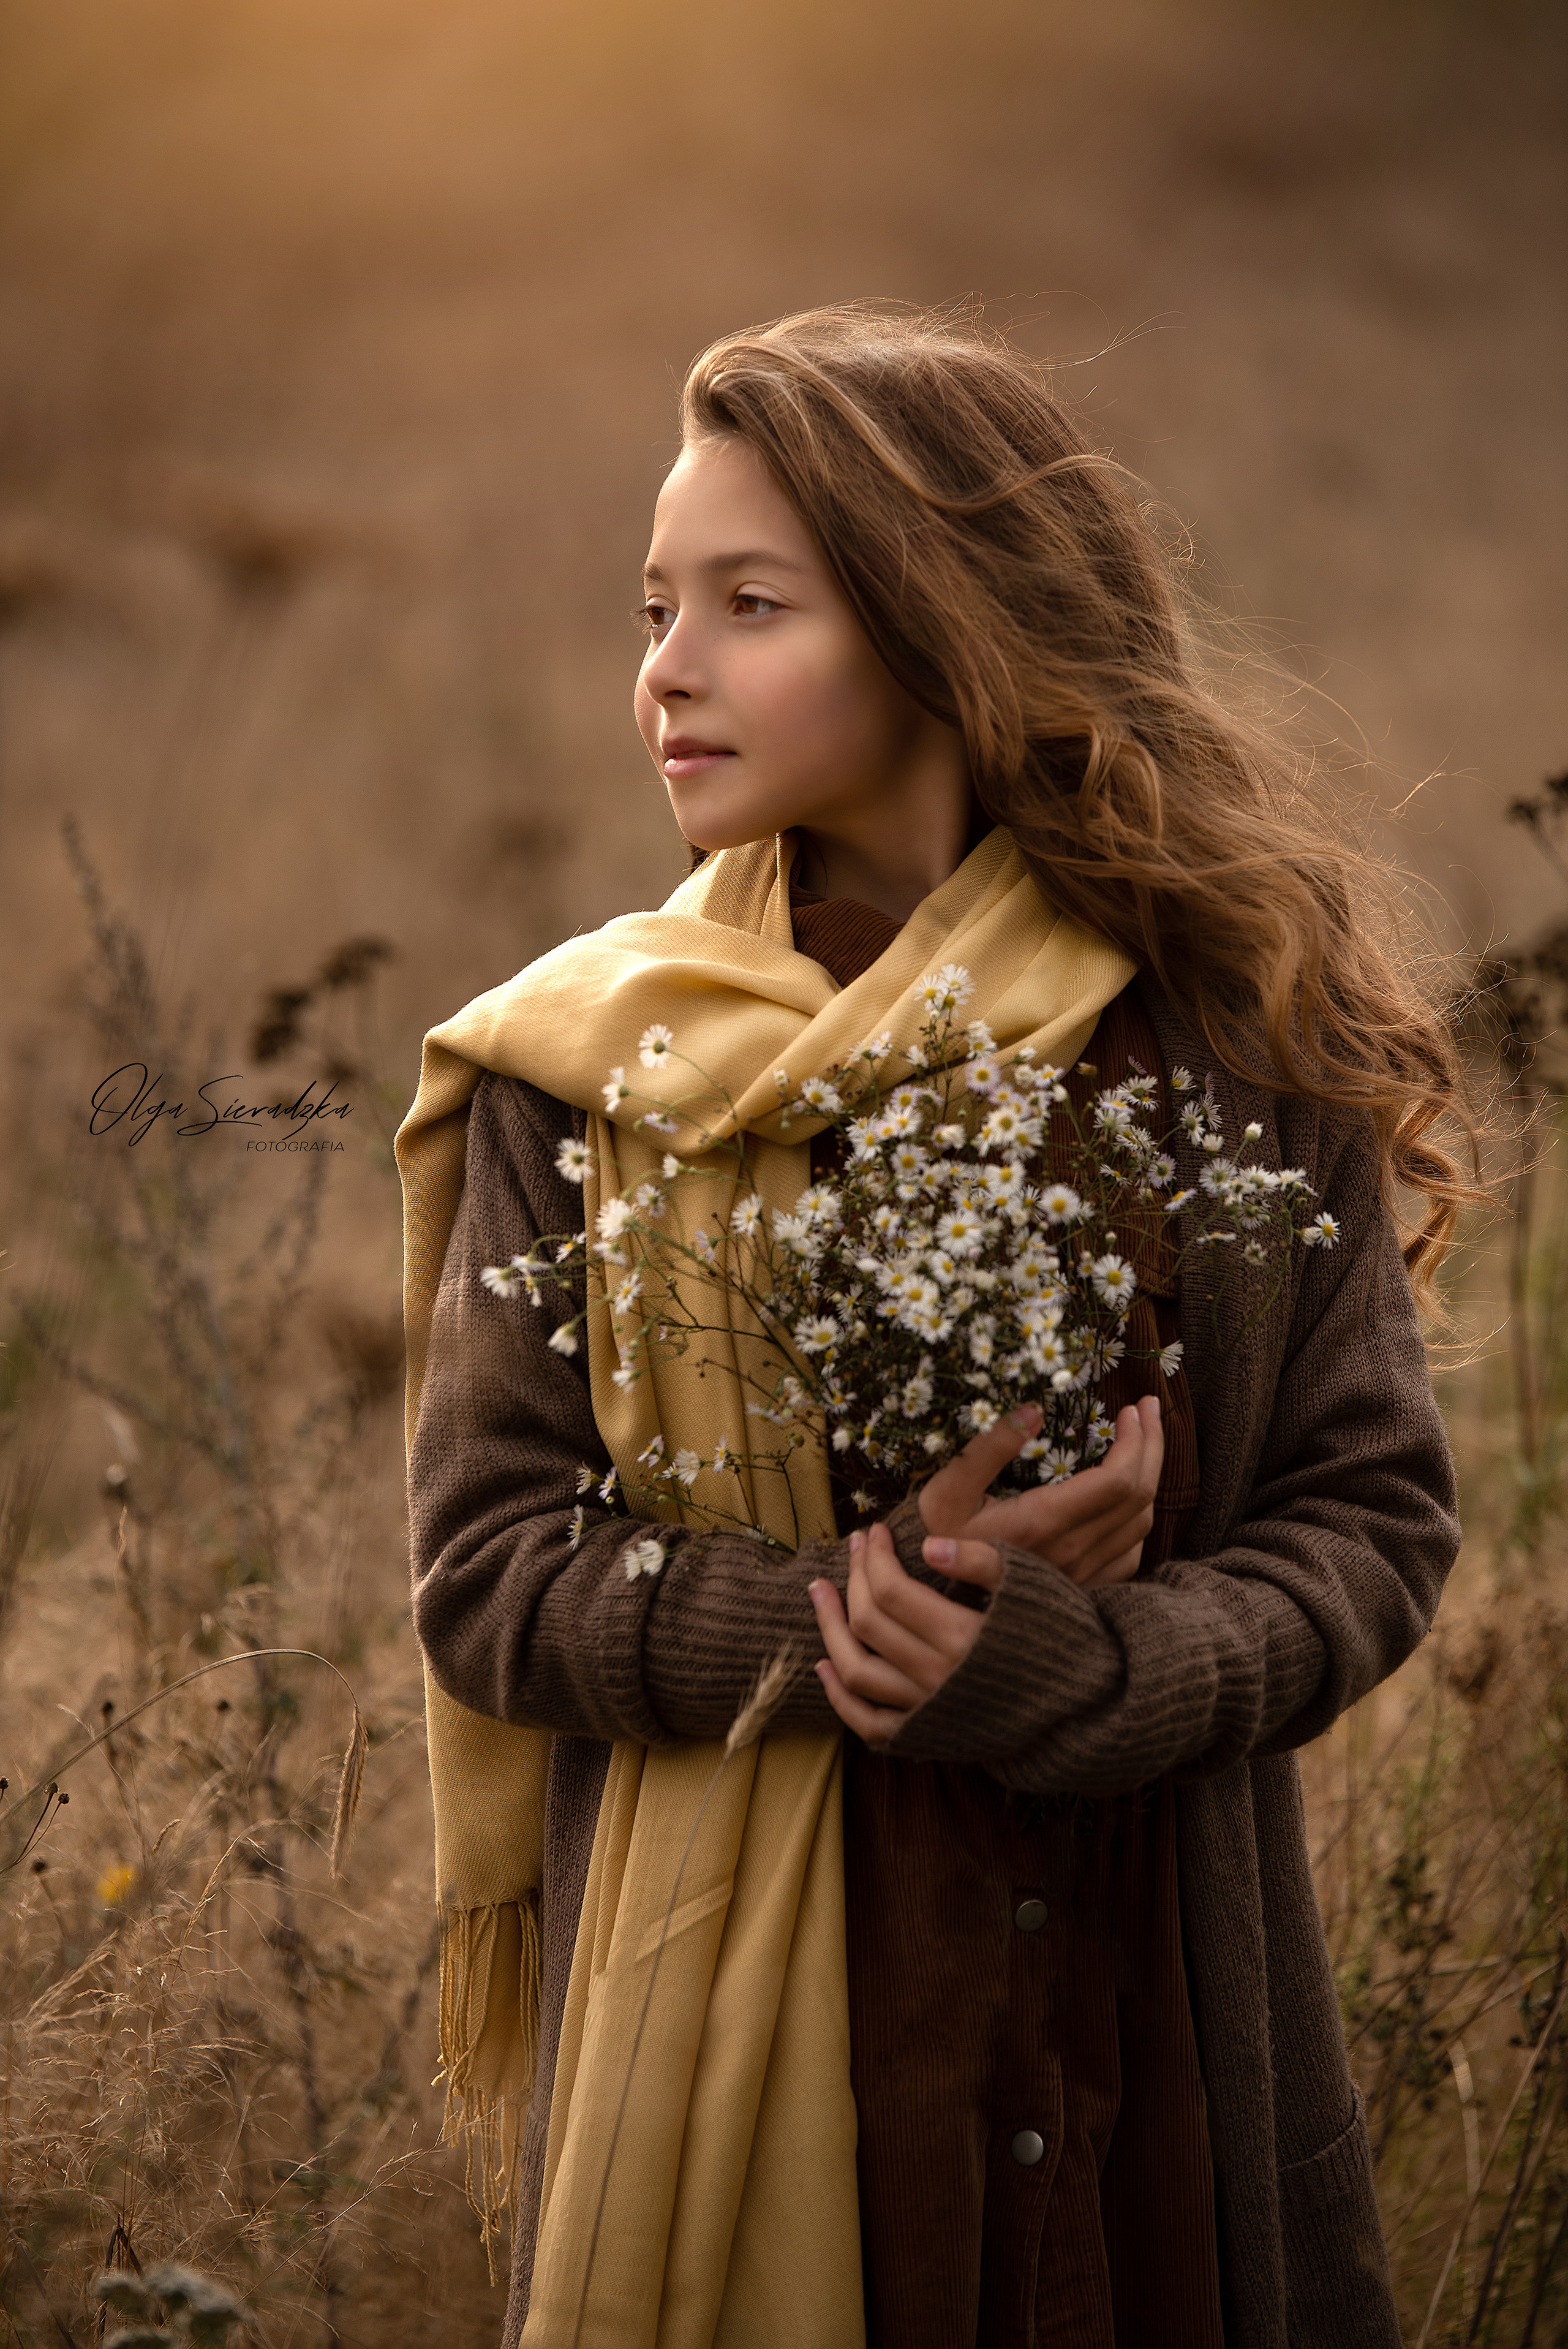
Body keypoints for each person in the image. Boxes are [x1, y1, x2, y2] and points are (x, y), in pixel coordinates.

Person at [398, 306, 1469, 2349]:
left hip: (1159, 2049)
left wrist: (1102, 1669)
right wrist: (854, 1614)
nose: (668, 667)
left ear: (937, 621)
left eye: (750, 604)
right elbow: (489, 1575)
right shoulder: (596, 1068)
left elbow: (1373, 1526)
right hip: (760, 2068)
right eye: (654, 608)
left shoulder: (1237, 1026)